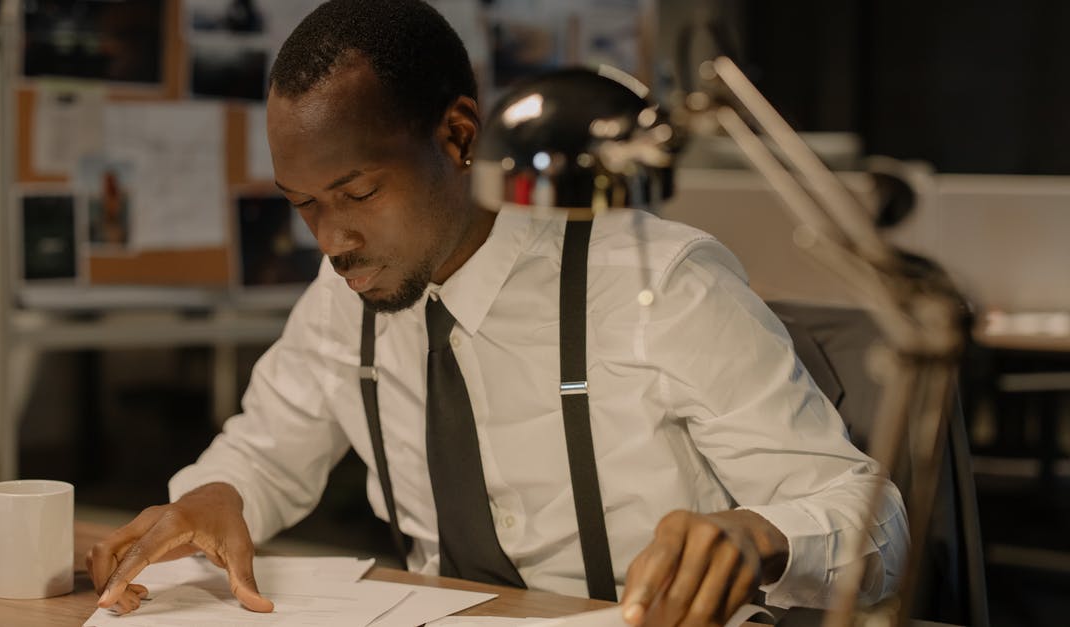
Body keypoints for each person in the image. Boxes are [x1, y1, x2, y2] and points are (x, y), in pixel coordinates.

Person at [86, 1, 908, 625]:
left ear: (458, 134)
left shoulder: (659, 281)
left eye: (359, 193)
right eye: (303, 206)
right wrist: (215, 494)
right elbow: (263, 455)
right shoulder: (347, 300)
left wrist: (759, 534)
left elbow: (874, 521)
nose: (330, 241)